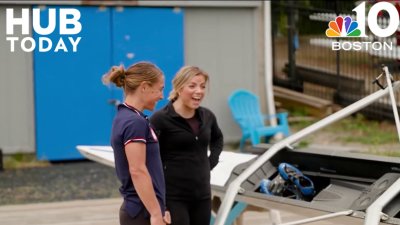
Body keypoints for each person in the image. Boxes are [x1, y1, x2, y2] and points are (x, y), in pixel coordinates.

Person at [150, 66, 224, 225]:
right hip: (174, 197)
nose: (199, 91)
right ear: (179, 88)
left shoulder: (208, 116)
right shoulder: (160, 119)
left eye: (203, 86)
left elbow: (218, 138)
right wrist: (160, 203)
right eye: (192, 86)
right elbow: (151, 159)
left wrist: (211, 161)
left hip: (203, 195)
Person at [102, 62, 170, 225]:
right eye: (160, 89)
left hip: (144, 210)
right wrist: (155, 213)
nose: (162, 96)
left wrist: (161, 208)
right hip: (142, 213)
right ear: (145, 86)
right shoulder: (134, 122)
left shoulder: (129, 117)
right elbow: (137, 170)